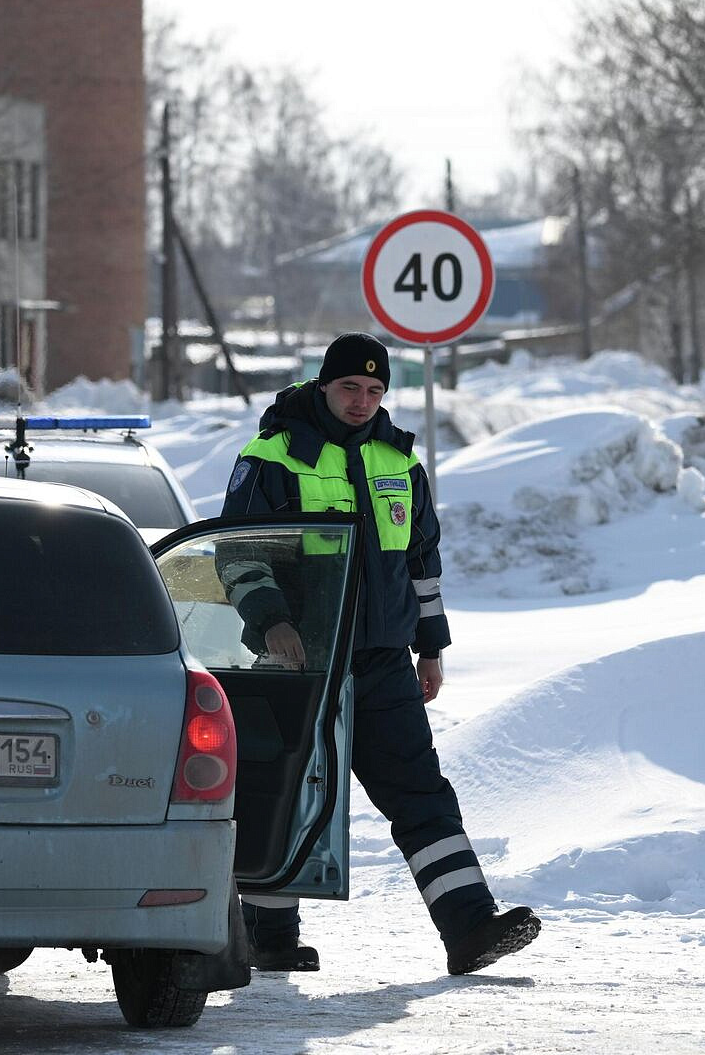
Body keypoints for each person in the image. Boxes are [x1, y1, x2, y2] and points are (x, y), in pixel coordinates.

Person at [220, 332, 539, 977]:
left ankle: (470, 926)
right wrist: (274, 623)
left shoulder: (400, 463)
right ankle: (269, 933)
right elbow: (239, 551)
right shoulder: (274, 453)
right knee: (284, 794)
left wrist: (431, 646)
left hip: (383, 663)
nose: (362, 401)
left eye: (374, 390)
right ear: (323, 385)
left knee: (420, 791)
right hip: (298, 666)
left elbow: (422, 563)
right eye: (349, 388)